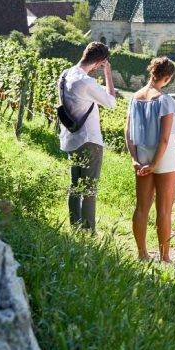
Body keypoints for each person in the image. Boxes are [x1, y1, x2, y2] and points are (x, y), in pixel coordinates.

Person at [125, 57, 175, 263]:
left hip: (141, 154)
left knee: (141, 207)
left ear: (151, 72)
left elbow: (127, 131)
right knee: (164, 209)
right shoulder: (165, 100)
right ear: (167, 77)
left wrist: (134, 158)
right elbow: (165, 138)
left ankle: (142, 254)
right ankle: (165, 257)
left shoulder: (134, 97)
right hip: (163, 157)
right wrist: (156, 163)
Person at [58, 41, 117, 232]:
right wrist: (108, 74)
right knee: (89, 189)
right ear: (99, 62)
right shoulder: (86, 82)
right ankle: (89, 232)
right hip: (89, 140)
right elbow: (111, 102)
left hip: (71, 138)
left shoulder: (65, 75)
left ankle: (76, 228)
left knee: (75, 186)